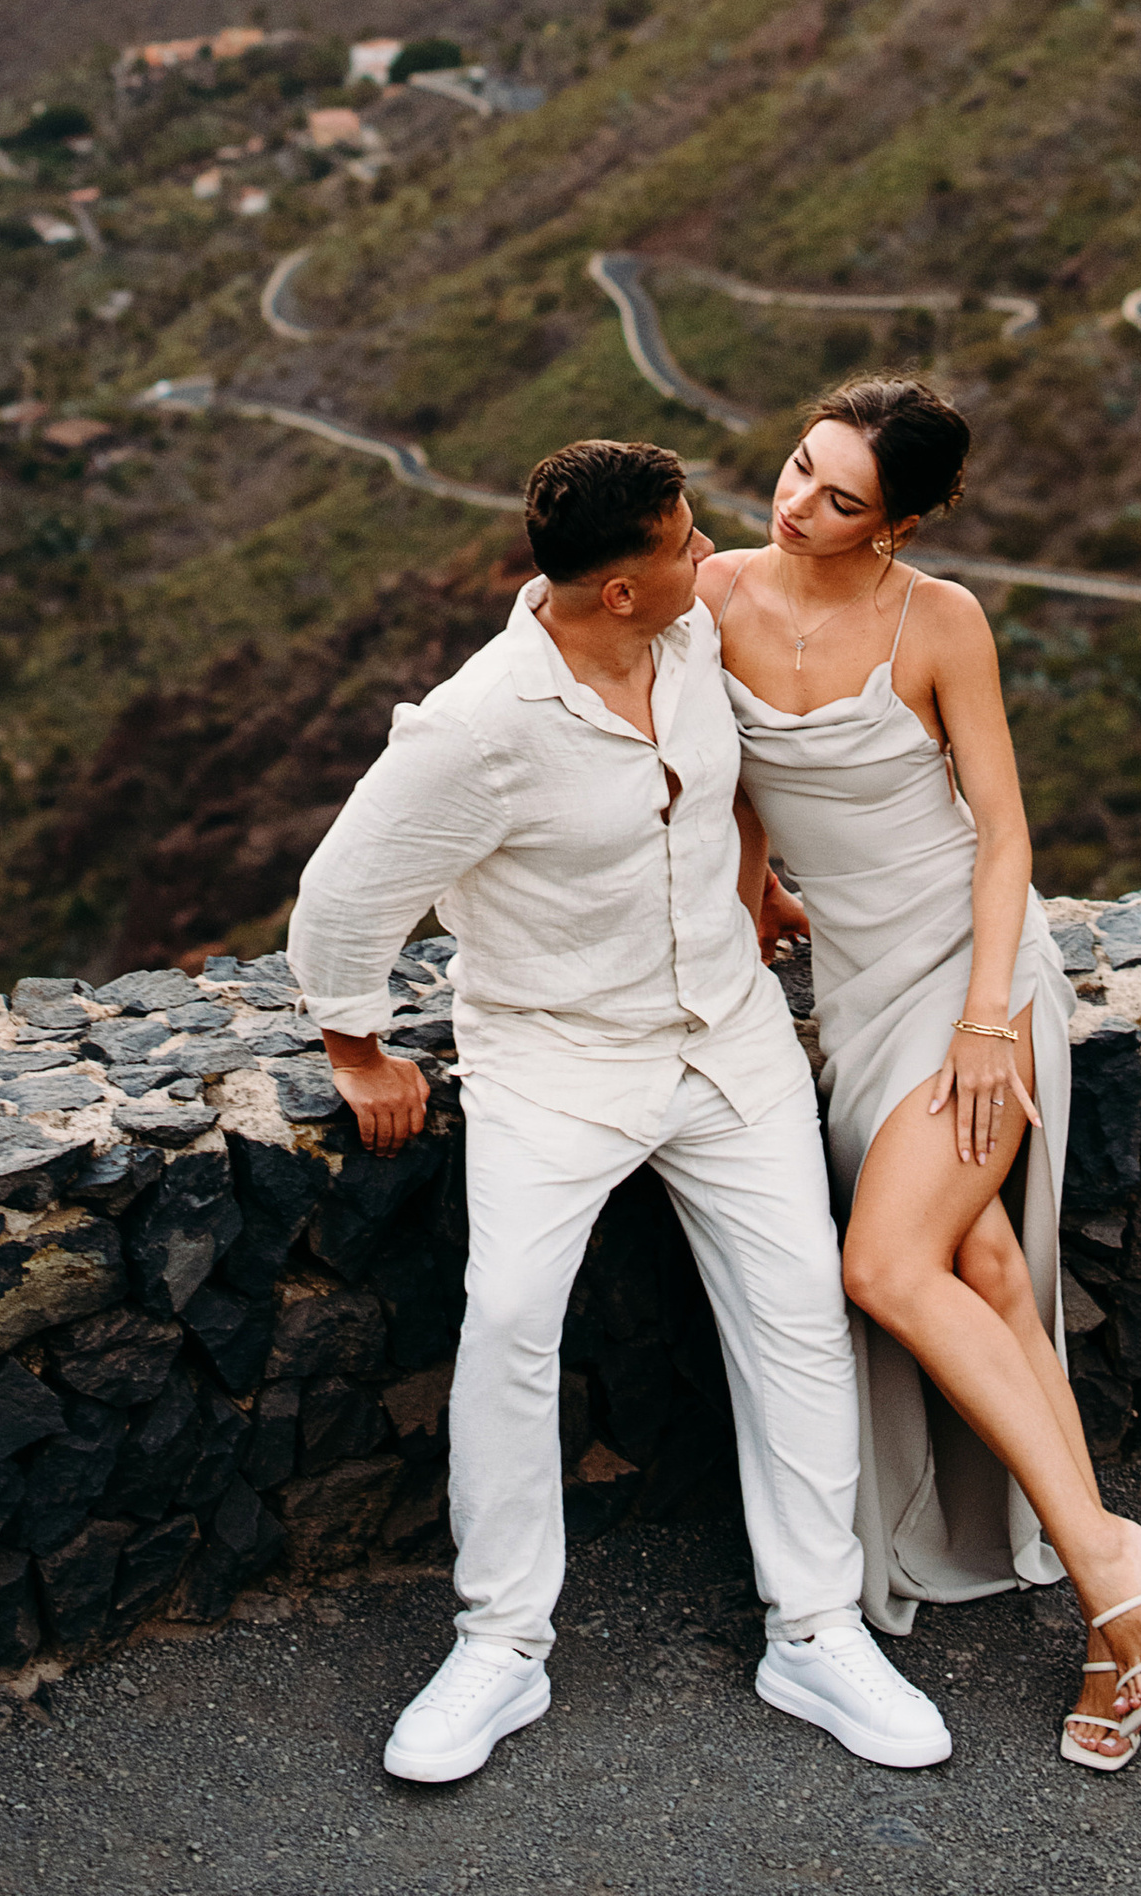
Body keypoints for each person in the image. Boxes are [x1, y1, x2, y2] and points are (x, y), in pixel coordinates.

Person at [287, 435, 953, 1787]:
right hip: (555, 1057)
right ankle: (499, 1647)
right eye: (684, 542)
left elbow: (729, 789)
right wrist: (358, 1052)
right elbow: (343, 897)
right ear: (622, 592)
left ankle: (815, 1633)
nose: (711, 553)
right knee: (512, 1323)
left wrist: (756, 889)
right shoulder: (478, 728)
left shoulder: (688, 642)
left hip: (729, 1038)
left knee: (799, 1314)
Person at [708, 376, 1141, 1773]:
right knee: (974, 1264)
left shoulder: (944, 620)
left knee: (884, 1266)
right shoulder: (720, 594)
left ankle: (1114, 1582)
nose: (798, 503)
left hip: (974, 970)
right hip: (857, 983)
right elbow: (735, 777)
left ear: (900, 520)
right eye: (798, 468)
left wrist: (991, 1018)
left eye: (841, 498)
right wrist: (752, 895)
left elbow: (1001, 839)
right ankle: (1116, 1572)